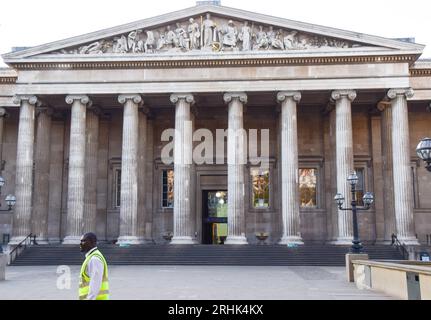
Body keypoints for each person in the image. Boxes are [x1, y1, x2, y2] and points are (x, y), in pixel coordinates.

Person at [79, 232, 110, 300]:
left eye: (83, 241)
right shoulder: (91, 257)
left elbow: (95, 283)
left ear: (92, 242)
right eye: (80, 241)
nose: (80, 244)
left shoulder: (94, 259)